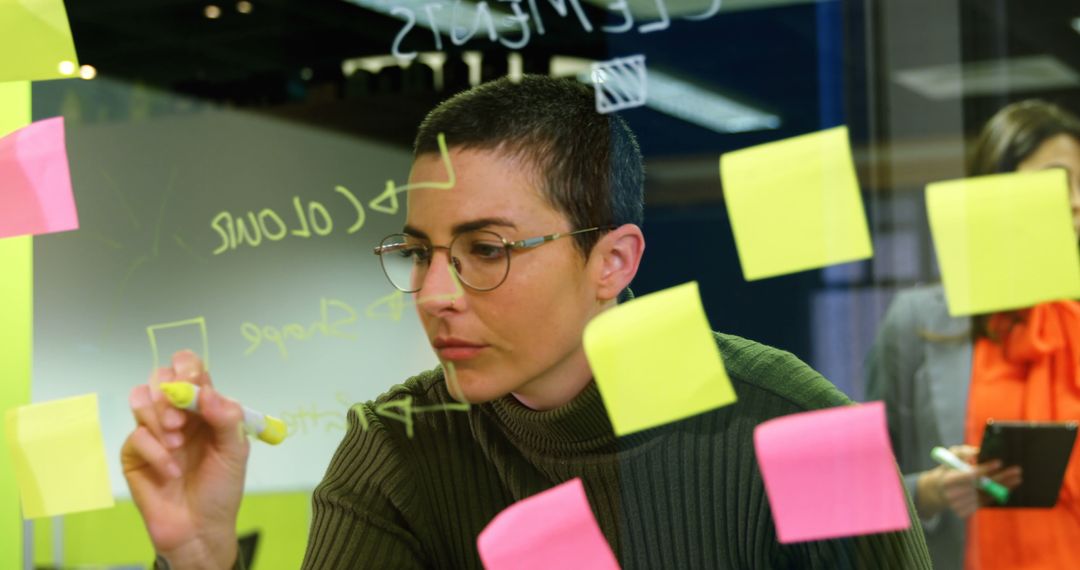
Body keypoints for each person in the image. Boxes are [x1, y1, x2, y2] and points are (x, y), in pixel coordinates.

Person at [123, 75, 931, 569]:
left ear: (612, 262)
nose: (436, 293)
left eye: (485, 249)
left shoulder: (799, 421)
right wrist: (200, 560)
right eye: (419, 253)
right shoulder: (394, 448)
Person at [865, 99, 1080, 570]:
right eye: (1060, 181)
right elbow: (858, 489)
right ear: (996, 189)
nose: (1077, 201)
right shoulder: (919, 321)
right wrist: (932, 491)